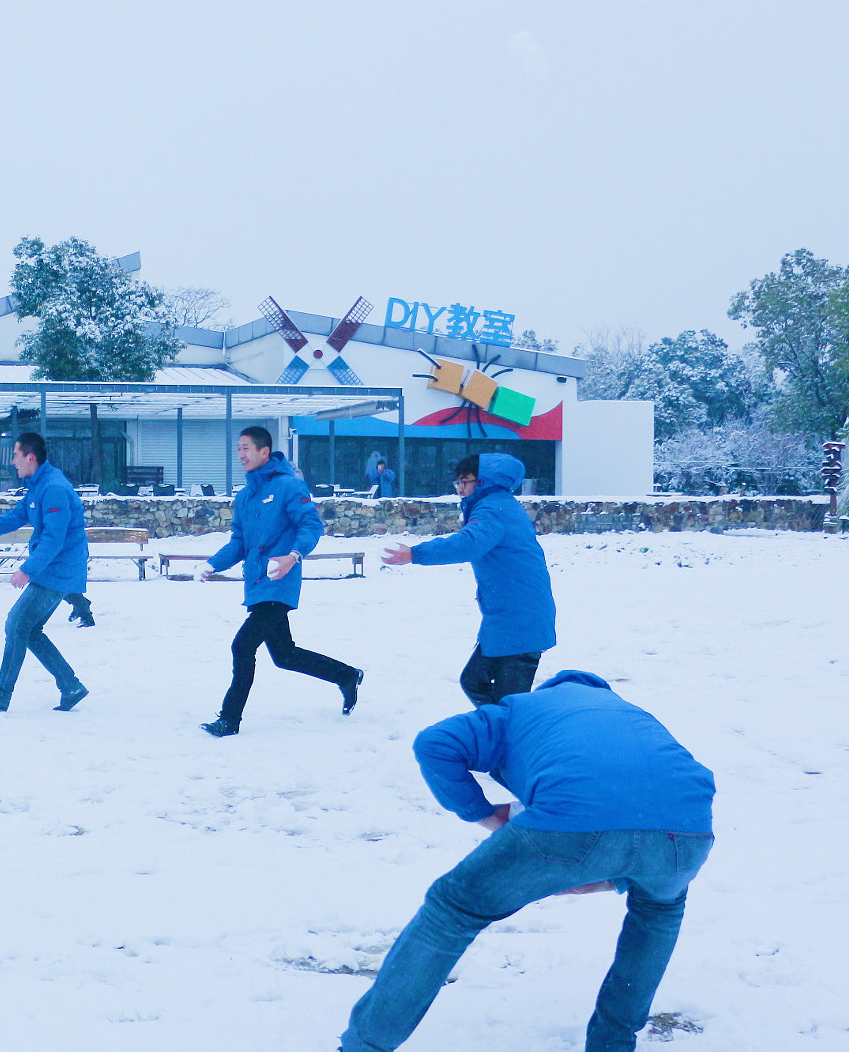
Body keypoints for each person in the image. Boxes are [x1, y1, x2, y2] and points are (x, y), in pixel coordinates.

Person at [337, 670, 715, 1052]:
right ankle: (612, 1045)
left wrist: (484, 815)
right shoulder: (633, 715)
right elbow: (649, 803)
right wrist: (613, 878)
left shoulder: (518, 710)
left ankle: (364, 1046)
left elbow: (434, 744)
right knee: (658, 911)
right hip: (687, 832)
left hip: (573, 817)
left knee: (453, 909)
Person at [198, 426, 362, 737]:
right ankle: (346, 675)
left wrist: (293, 555)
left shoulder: (289, 486)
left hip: (280, 580)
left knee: (242, 646)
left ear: (264, 451)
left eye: (247, 448)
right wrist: (212, 564)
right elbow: (239, 542)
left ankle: (230, 719)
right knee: (284, 655)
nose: (242, 454)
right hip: (258, 584)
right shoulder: (246, 496)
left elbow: (311, 526)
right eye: (239, 449)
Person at [383, 453, 555, 708]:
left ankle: (511, 739)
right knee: (475, 682)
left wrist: (415, 554)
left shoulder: (492, 509)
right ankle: (499, 734)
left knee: (509, 704)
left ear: (483, 481)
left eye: (465, 482)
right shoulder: (497, 503)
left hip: (520, 617)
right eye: (457, 483)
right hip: (509, 615)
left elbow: (468, 544)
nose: (460, 489)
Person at [0, 433, 90, 713]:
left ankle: (0, 695)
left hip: (58, 569)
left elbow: (54, 538)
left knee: (17, 624)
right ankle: (70, 686)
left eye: (15, 455)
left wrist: (27, 571)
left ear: (31, 457)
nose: (12, 461)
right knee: (28, 629)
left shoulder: (54, 489)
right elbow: (16, 517)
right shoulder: (39, 486)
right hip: (52, 567)